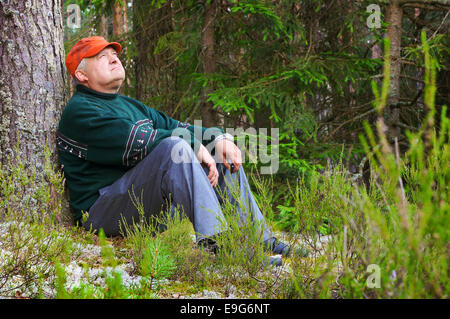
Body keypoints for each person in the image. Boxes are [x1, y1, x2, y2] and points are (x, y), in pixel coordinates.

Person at [58, 36, 304, 267]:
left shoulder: (128, 104)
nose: (114, 58)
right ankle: (218, 245)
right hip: (101, 213)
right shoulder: (80, 111)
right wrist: (195, 146)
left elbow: (177, 126)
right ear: (81, 74)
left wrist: (218, 138)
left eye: (114, 54)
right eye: (102, 57)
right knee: (173, 147)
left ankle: (258, 237)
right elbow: (145, 140)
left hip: (140, 205)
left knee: (215, 152)